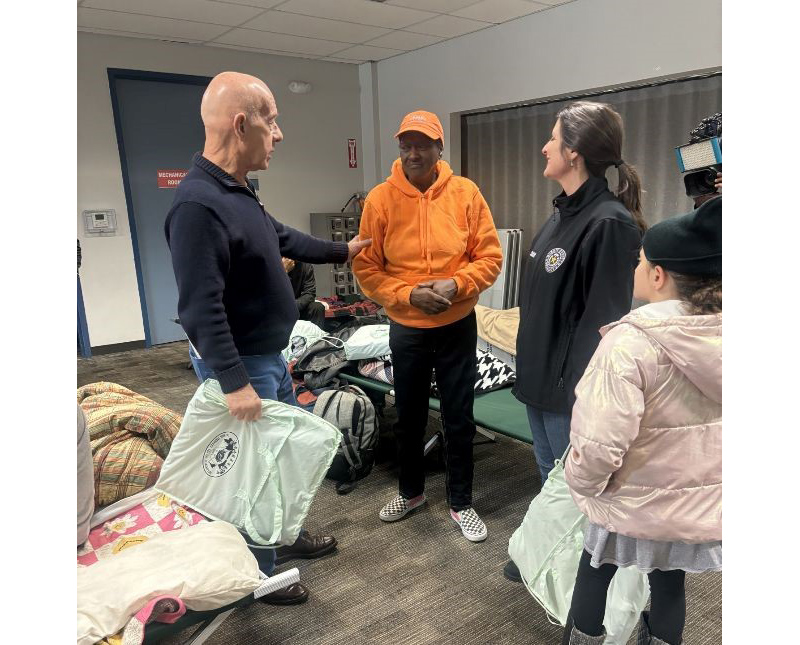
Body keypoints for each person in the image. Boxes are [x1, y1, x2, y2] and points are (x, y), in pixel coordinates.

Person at [164, 71, 370, 605]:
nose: (278, 134)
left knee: (278, 461)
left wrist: (345, 251)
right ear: (241, 124)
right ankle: (259, 576)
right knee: (249, 476)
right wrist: (234, 384)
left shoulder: (238, 193)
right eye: (271, 120)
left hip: (268, 357)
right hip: (241, 367)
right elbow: (199, 310)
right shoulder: (197, 206)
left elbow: (283, 238)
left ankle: (282, 538)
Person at [561, 196, 722, 645]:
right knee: (670, 582)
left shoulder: (629, 343)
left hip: (625, 499)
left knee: (594, 572)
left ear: (658, 275)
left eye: (640, 261)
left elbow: (597, 445)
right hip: (693, 508)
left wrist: (581, 484)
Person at [505, 101, 645, 580]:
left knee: (583, 498)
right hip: (539, 384)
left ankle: (591, 595)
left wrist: (589, 402)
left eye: (552, 138)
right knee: (552, 486)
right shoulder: (560, 217)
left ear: (575, 153)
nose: (544, 147)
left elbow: (604, 328)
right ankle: (554, 566)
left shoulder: (608, 223)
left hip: (571, 395)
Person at [353, 110, 502, 542]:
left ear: (440, 148)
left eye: (422, 144)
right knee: (409, 416)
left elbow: (490, 258)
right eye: (406, 145)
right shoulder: (380, 199)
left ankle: (461, 503)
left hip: (458, 322)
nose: (413, 153)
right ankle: (411, 492)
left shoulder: (466, 193)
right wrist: (407, 295)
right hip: (406, 326)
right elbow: (367, 268)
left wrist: (457, 284)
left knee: (459, 416)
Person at [283, 257, 326, 328]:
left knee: (317, 307)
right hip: (277, 307)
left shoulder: (305, 265)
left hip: (296, 306)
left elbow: (310, 293)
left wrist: (294, 306)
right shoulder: (272, 263)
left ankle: (315, 337)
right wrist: (284, 270)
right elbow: (269, 291)